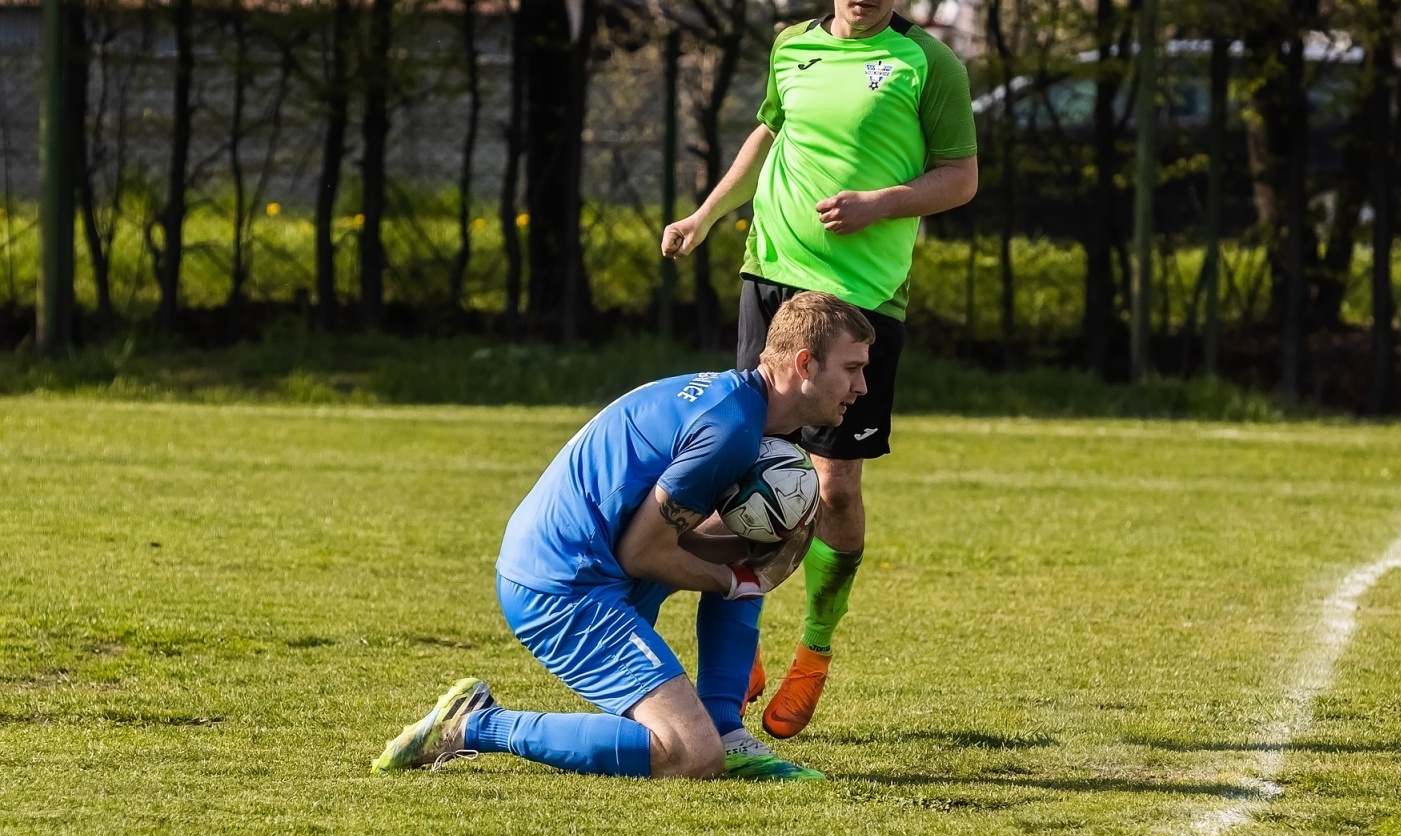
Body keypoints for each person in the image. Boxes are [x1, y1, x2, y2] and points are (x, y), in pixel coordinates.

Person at [370, 293, 873, 781]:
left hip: (589, 559)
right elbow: (642, 552)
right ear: (805, 364)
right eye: (852, 369)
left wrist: (744, 563)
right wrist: (729, 580)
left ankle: (725, 726)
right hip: (561, 586)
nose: (863, 386)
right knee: (690, 755)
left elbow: (649, 538)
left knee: (750, 543)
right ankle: (474, 722)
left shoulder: (740, 406)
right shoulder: (730, 430)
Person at [661, 0, 977, 739]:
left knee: (834, 486)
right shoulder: (790, 46)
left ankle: (816, 647)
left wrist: (883, 204)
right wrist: (705, 216)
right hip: (771, 273)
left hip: (864, 295)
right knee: (743, 465)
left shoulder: (929, 64)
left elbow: (960, 177)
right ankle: (743, 645)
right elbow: (767, 136)